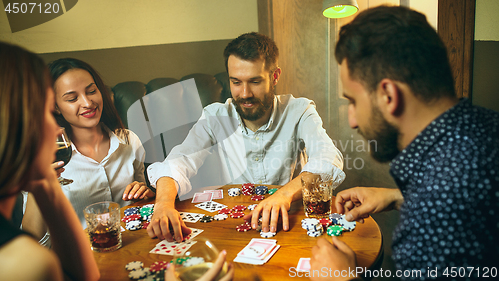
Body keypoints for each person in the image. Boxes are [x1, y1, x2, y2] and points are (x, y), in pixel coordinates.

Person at [310, 5, 499, 280]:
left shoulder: (435, 210)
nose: (352, 120)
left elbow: (447, 201)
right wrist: (399, 197)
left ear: (388, 95)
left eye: (352, 101)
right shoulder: (483, 125)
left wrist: (342, 277)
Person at [147, 32, 345, 241]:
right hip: (239, 222)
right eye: (236, 82)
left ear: (275, 76)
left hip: (292, 219)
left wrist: (284, 195)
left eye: (255, 81)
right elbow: (178, 161)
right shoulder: (215, 115)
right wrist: (163, 204)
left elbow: (327, 158)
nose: (244, 94)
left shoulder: (300, 110)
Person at [0, 41, 100, 280]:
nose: (57, 129)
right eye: (46, 111)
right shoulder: (26, 264)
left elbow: (84, 276)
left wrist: (45, 181)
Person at [47, 58, 155, 227]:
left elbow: (143, 206)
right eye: (72, 98)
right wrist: (40, 186)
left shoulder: (129, 140)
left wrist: (146, 194)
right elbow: (34, 236)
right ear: (55, 107)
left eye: (91, 91)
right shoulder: (47, 156)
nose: (87, 103)